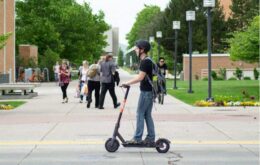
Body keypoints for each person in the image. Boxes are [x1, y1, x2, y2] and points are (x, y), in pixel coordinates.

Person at [122, 40, 155, 145]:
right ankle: (150, 137)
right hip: (149, 92)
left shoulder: (145, 61)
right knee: (147, 115)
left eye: (136, 48)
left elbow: (140, 77)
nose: (135, 50)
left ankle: (137, 138)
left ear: (142, 49)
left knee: (140, 113)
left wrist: (127, 83)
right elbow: (141, 76)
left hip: (146, 93)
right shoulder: (147, 60)